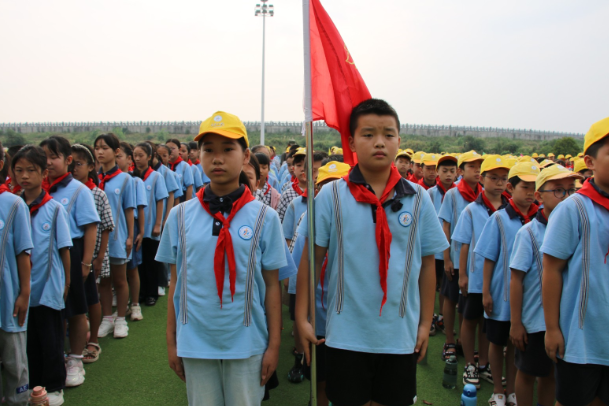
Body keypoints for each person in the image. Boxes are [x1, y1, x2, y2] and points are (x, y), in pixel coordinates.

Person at [297, 99, 448, 406]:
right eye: (368, 134)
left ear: (399, 141)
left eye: (388, 134)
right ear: (351, 141)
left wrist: (423, 323)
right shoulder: (332, 196)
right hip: (345, 333)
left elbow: (428, 264)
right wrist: (301, 317)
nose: (379, 142)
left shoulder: (418, 198)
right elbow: (311, 259)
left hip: (399, 333)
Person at [157, 111, 286, 406]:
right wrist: (172, 339)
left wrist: (274, 345)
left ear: (245, 158)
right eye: (209, 150)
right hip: (196, 341)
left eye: (228, 149)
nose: (217, 158)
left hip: (248, 342)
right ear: (198, 156)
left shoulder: (266, 218)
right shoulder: (179, 216)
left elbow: (272, 285)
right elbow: (176, 282)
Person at [542, 117, 609, 406]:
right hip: (581, 337)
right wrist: (553, 328)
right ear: (589, 162)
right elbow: (552, 269)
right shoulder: (574, 208)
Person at [510, 165, 580, 406]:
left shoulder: (576, 227)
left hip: (566, 320)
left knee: (552, 374)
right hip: (535, 322)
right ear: (539, 196)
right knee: (528, 372)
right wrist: (516, 323)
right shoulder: (528, 232)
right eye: (559, 191)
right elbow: (516, 279)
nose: (567, 197)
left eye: (571, 190)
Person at [475, 161, 540, 406]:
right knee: (497, 341)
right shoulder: (500, 218)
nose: (531, 192)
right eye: (525, 187)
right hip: (501, 293)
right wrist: (485, 292)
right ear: (511, 189)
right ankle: (499, 390)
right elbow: (489, 257)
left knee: (516, 344)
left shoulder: (539, 218)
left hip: (528, 297)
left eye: (534, 186)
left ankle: (512, 389)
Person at [12, 146, 71, 406]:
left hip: (48, 286)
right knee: (28, 341)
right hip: (19, 288)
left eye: (31, 171)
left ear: (43, 173)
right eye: (19, 170)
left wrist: (67, 282)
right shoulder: (11, 206)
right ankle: (34, 386)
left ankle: (55, 385)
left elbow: (64, 249)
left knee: (51, 340)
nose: (24, 176)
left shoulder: (54, 208)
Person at [40, 135, 100, 388]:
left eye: (54, 157)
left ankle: (75, 358)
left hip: (72, 255)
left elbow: (90, 228)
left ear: (68, 160)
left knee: (76, 309)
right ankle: (58, 354)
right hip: (45, 255)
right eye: (45, 157)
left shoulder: (78, 189)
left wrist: (86, 263)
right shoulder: (38, 188)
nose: (49, 162)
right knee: (53, 308)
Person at [452, 155, 511, 389]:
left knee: (489, 323)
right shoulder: (471, 209)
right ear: (482, 179)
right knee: (469, 320)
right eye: (493, 178)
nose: (499, 183)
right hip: (476, 278)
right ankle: (470, 364)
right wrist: (463, 275)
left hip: (500, 280)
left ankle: (484, 364)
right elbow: (464, 244)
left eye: (503, 179)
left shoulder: (510, 208)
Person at [438, 150, 485, 360]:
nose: (477, 171)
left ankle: (463, 343)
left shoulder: (484, 194)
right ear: (461, 171)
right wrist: (447, 258)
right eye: (472, 167)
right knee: (450, 297)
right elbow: (445, 227)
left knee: (466, 301)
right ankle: (449, 340)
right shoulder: (453, 194)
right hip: (456, 258)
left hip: (477, 261)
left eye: (479, 167)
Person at [70, 143, 114, 363]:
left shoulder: (96, 193)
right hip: (70, 256)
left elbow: (106, 226)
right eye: (71, 163)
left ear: (90, 166)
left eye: (78, 164)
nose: (74, 168)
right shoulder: (60, 192)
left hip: (92, 255)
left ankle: (93, 340)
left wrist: (97, 257)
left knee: (92, 296)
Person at [0, 142, 34, 406]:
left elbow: (24, 253)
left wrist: (24, 292)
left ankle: (19, 400)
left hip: (8, 298)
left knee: (14, 362)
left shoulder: (12, 203)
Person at [94, 134, 136, 340]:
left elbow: (129, 209)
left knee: (120, 280)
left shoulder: (125, 179)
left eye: (105, 148)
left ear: (116, 151)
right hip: (97, 240)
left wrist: (130, 236)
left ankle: (121, 319)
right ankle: (107, 318)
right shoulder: (93, 178)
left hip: (117, 237)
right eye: (97, 148)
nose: (100, 152)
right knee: (103, 281)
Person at [132, 142, 168, 308]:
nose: (137, 159)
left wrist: (158, 224)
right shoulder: (131, 177)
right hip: (135, 228)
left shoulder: (155, 177)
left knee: (151, 261)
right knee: (139, 263)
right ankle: (141, 292)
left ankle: (152, 293)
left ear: (149, 157)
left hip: (150, 226)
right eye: (135, 155)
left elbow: (161, 200)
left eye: (141, 155)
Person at [427, 154, 458, 336]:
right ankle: (430, 316)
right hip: (434, 247)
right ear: (437, 172)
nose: (448, 174)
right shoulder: (430, 193)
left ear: (457, 173)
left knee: (445, 287)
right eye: (444, 171)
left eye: (452, 171)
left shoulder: (457, 193)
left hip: (449, 249)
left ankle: (443, 318)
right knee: (432, 283)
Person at [118, 143, 147, 315]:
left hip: (131, 227)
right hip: (114, 228)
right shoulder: (104, 179)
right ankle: (122, 303)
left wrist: (141, 232)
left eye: (118, 156)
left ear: (128, 159)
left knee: (132, 267)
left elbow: (140, 208)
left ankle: (135, 304)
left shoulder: (135, 181)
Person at [277, 148, 308, 221]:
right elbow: (280, 220)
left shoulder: (319, 193)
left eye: (306, 165)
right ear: (293, 169)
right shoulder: (287, 194)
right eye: (299, 165)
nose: (303, 169)